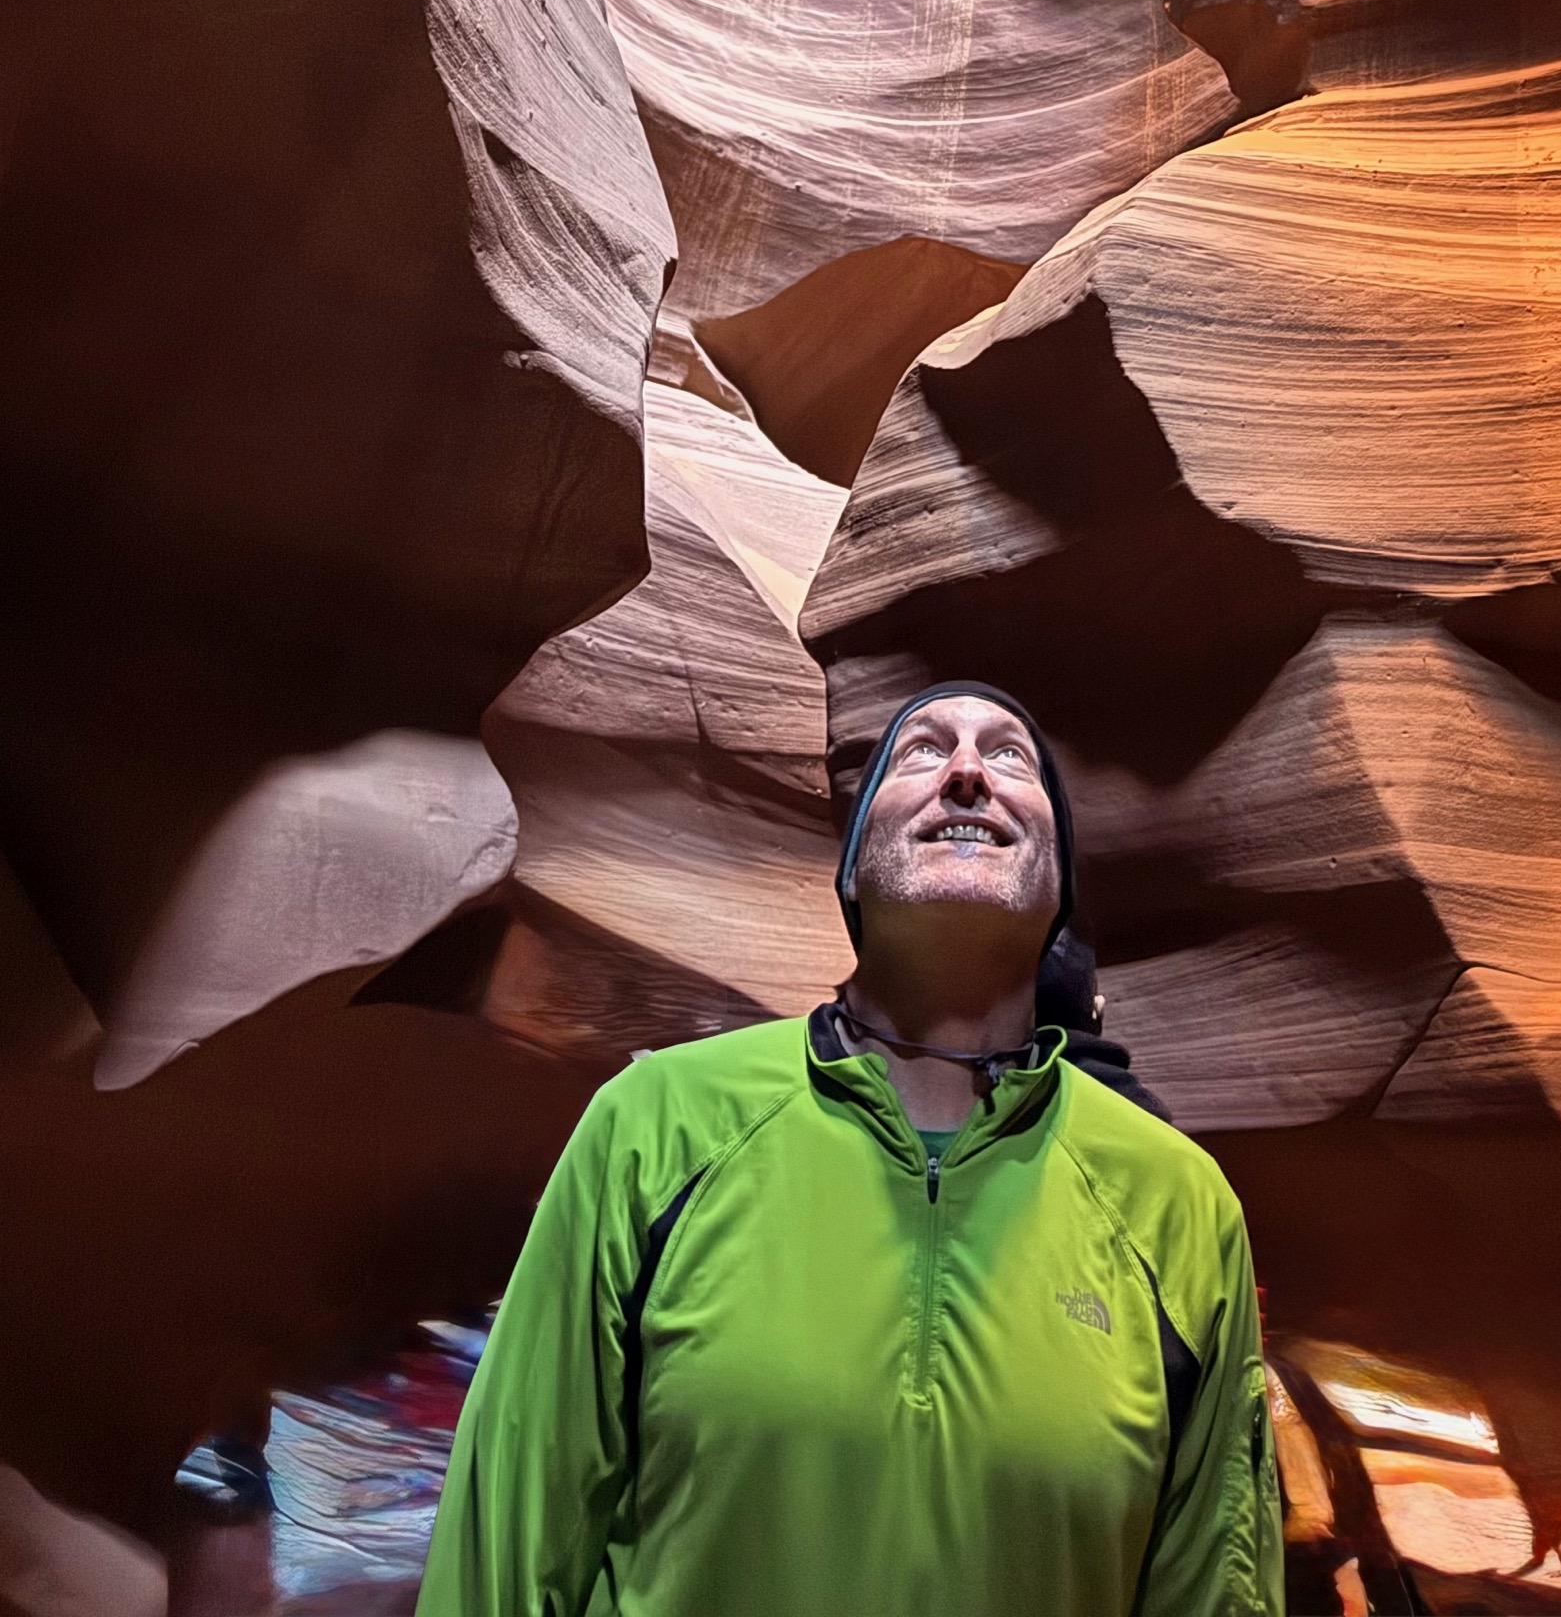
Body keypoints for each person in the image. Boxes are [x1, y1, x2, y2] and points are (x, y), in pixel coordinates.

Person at [417, 680, 1281, 1616]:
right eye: (920, 750)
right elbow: (506, 1541)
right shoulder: (658, 1126)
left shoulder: (1176, 1204)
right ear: (853, 870)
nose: (964, 773)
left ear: (1062, 882)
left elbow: (1217, 1586)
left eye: (1009, 757)